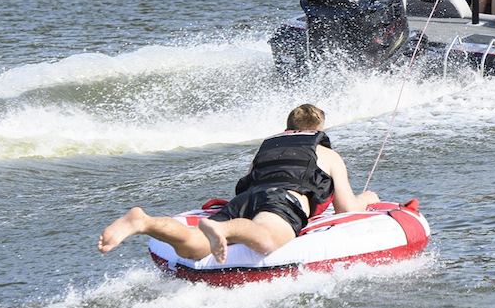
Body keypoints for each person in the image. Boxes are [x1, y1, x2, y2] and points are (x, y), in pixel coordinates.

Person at [98, 104, 378, 264]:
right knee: (267, 239)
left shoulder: (266, 150)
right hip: (281, 202)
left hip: (246, 200)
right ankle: (222, 229)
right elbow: (345, 208)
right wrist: (368, 198)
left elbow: (249, 181)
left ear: (288, 127)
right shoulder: (327, 153)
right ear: (318, 130)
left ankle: (144, 222)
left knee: (194, 247)